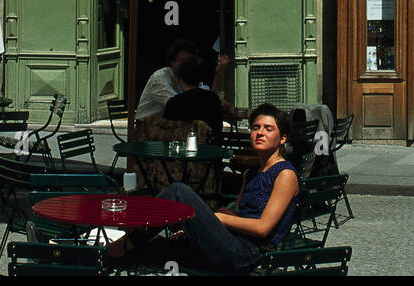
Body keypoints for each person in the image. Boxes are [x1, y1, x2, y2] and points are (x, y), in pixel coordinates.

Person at [126, 105, 299, 275]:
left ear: (282, 138)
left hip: (248, 254)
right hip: (231, 241)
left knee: (178, 191)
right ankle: (118, 250)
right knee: (154, 248)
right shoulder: (251, 173)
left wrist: (219, 218)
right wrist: (195, 226)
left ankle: (124, 237)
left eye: (268, 129)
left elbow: (262, 228)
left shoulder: (285, 174)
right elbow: (237, 215)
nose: (260, 133)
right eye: (256, 127)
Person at [135, 37, 199, 120]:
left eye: (190, 62)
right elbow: (176, 105)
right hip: (148, 128)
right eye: (183, 61)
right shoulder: (160, 77)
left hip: (168, 126)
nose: (187, 65)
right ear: (172, 62)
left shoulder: (185, 78)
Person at [162, 55, 225, 136]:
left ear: (180, 77)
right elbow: (218, 127)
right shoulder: (213, 99)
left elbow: (167, 132)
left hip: (181, 146)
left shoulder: (174, 102)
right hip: (208, 147)